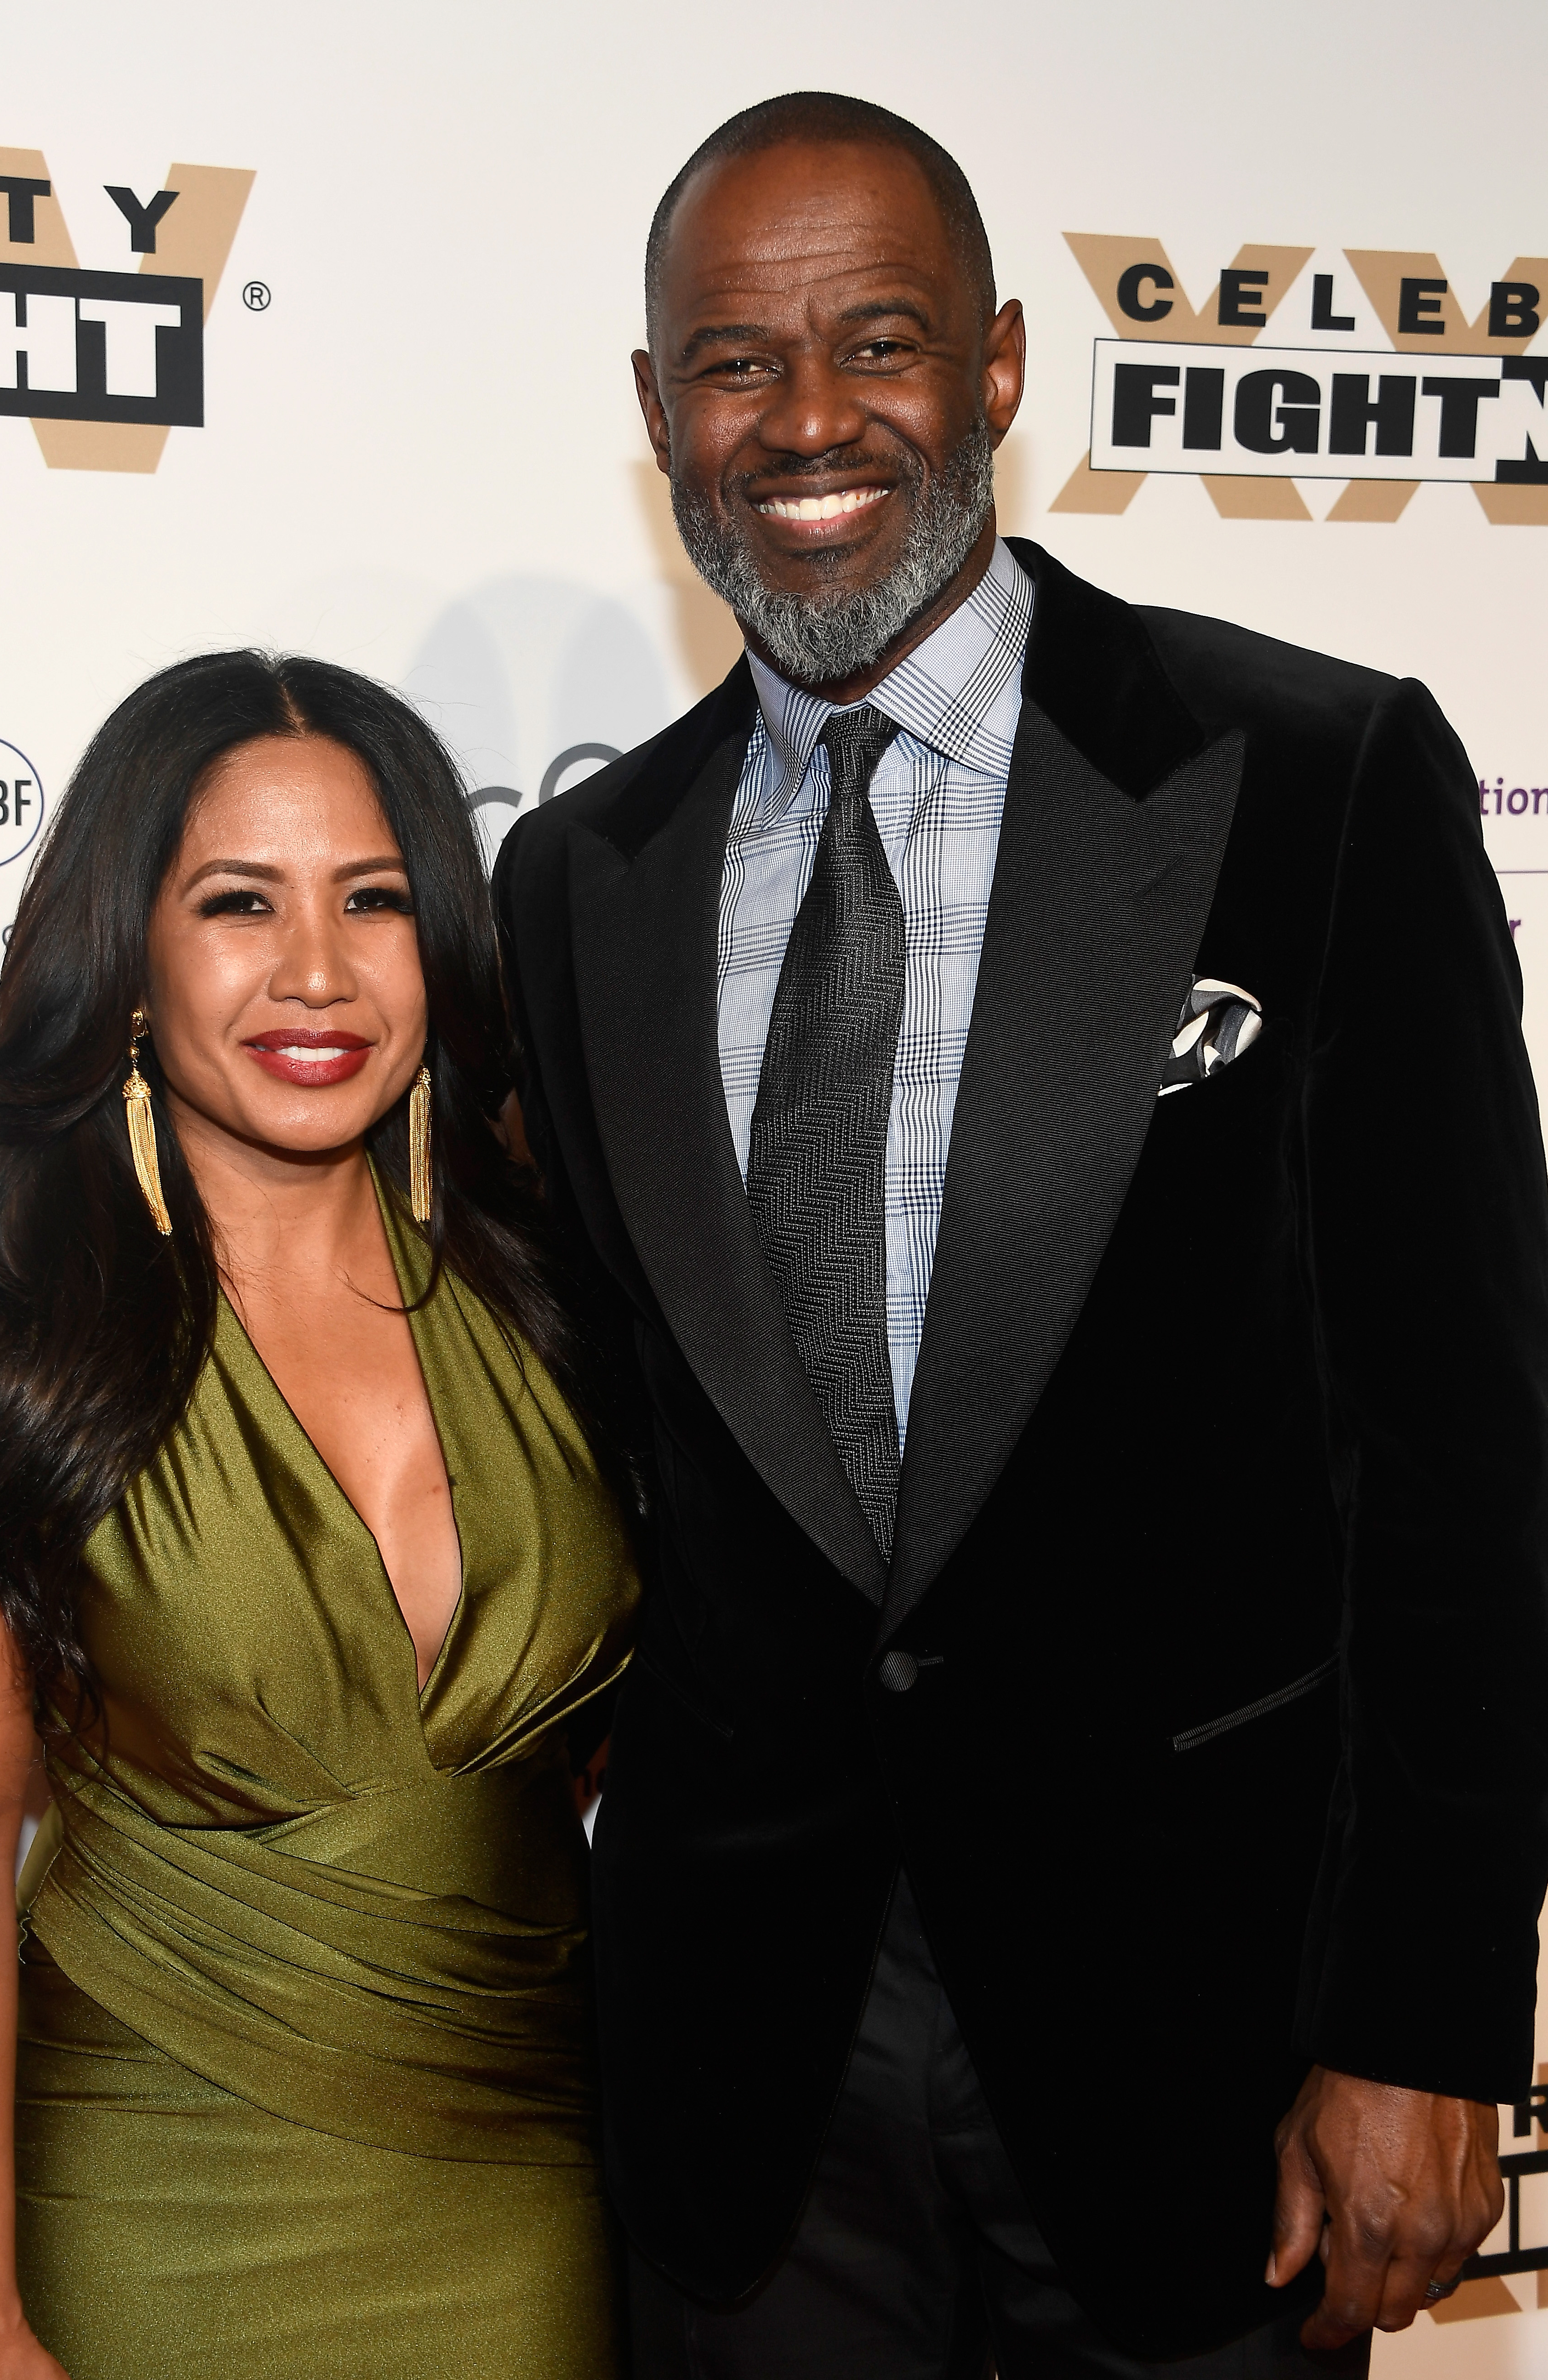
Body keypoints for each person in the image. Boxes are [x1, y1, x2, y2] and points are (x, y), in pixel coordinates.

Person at [491, 90, 1548, 2380]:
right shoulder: (578, 890)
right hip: (749, 2075)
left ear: (991, 370)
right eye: (732, 364)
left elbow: (1463, 1465)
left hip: (1204, 2053)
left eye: (874, 344)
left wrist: (1427, 2023)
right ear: (656, 411)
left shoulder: (1317, 781)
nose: (803, 422)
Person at [0, 653, 638, 2380]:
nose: (315, 971)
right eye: (236, 903)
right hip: (151, 2204)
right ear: (130, 959)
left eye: (374, 901)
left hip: (527, 2204)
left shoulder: (557, 1312)